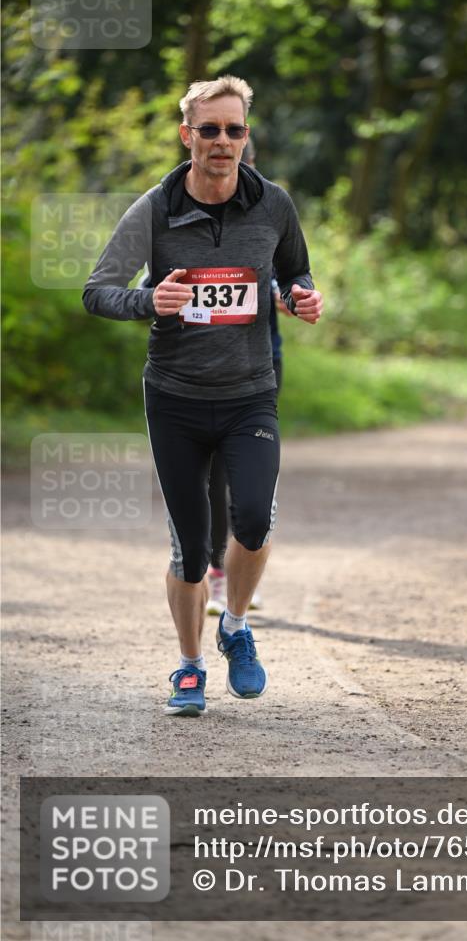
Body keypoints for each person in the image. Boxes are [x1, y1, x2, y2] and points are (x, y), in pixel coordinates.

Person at [83, 75, 323, 716]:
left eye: (234, 129)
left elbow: (295, 269)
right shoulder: (154, 209)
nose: (222, 141)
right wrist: (148, 300)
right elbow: (97, 290)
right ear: (186, 135)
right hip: (176, 398)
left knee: (254, 518)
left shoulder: (273, 204)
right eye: (209, 129)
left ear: (246, 136)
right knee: (190, 550)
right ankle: (189, 668)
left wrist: (300, 295)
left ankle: (236, 627)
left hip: (250, 395)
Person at [205, 136, 287, 617]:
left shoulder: (270, 213)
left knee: (249, 472)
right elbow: (148, 281)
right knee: (213, 473)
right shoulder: (182, 212)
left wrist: (288, 294)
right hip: (199, 368)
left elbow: (291, 274)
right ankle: (218, 572)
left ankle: (242, 567)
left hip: (260, 365)